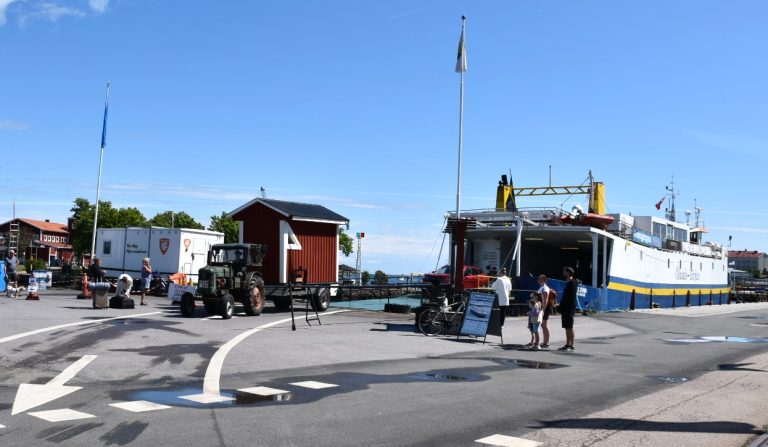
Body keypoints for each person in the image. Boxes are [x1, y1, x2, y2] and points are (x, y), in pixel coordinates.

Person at [558, 266, 577, 351]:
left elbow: (571, 298)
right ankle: (567, 344)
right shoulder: (568, 283)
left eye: (564, 272)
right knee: (566, 327)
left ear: (568, 273)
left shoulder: (572, 283)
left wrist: (568, 308)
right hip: (565, 309)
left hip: (569, 309)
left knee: (570, 327)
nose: (563, 273)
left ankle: (571, 345)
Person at [537, 275, 552, 349]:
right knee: (543, 325)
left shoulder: (545, 288)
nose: (538, 279)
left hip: (545, 308)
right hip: (542, 307)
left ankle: (546, 342)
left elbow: (545, 299)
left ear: (544, 280)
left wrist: (543, 309)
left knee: (544, 325)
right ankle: (545, 341)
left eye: (540, 278)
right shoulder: (541, 287)